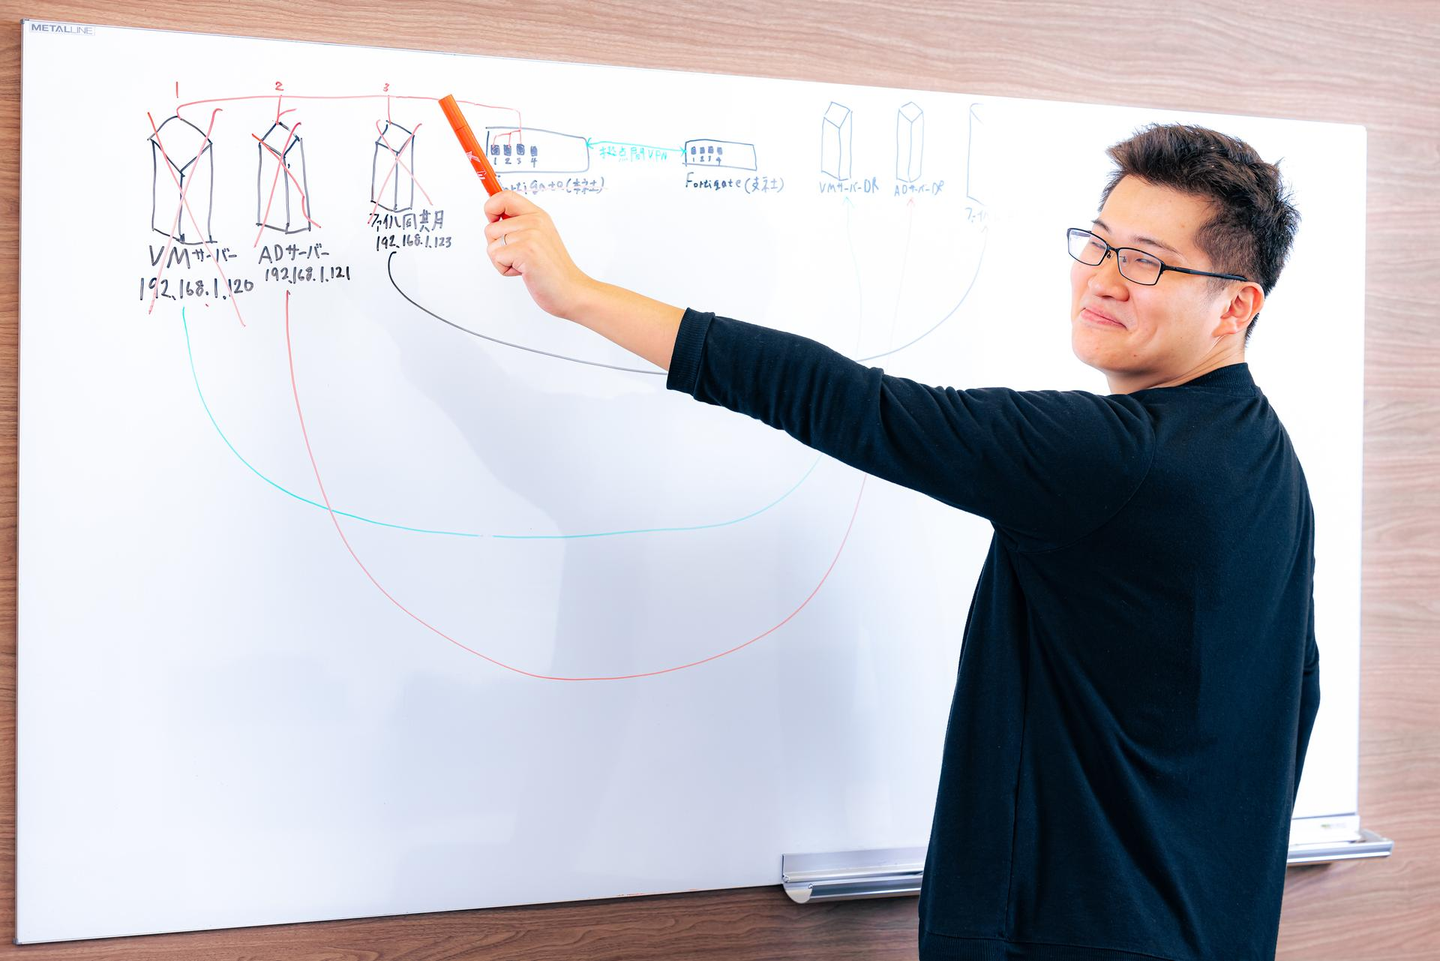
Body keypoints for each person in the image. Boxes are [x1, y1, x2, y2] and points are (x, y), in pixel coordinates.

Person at [479, 122, 1319, 961]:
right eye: (1097, 244)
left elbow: (852, 403)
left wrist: (577, 293)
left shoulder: (1120, 458)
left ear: (1235, 306)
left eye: (1145, 262)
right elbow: (1294, 701)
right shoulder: (1265, 457)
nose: (1102, 279)